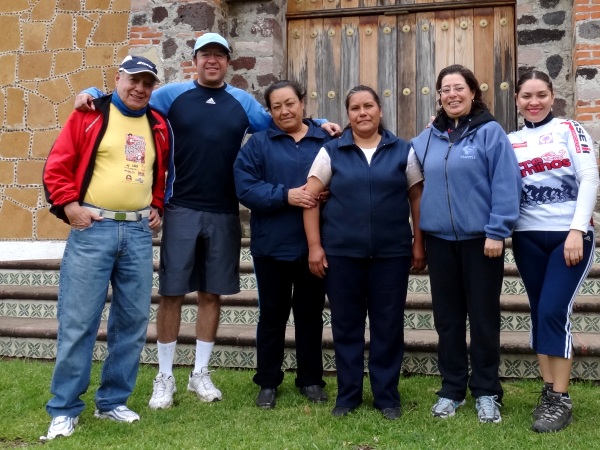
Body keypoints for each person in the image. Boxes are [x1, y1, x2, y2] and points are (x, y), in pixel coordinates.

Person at [74, 33, 340, 410]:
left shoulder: (242, 101)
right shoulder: (171, 96)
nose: (212, 61)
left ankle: (200, 372)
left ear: (228, 62)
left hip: (224, 211)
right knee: (171, 293)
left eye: (219, 55)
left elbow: (280, 119)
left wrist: (322, 122)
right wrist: (91, 92)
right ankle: (164, 377)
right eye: (205, 55)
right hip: (180, 206)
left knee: (211, 293)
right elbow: (130, 98)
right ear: (194, 59)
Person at [41, 56, 171, 440]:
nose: (140, 89)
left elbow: (160, 173)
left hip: (136, 234)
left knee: (131, 323)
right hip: (92, 228)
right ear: (117, 79)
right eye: (133, 80)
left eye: (147, 83)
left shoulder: (159, 125)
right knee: (79, 321)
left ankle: (112, 402)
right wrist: (69, 206)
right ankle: (64, 408)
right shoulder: (89, 113)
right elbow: (57, 165)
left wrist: (158, 205)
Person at [303, 85, 425, 420]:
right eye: (355, 108)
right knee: (346, 326)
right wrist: (315, 246)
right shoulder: (332, 151)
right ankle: (348, 396)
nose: (362, 113)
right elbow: (309, 198)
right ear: (348, 114)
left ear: (380, 110)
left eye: (368, 106)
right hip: (342, 255)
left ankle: (387, 397)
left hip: (392, 254)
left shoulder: (403, 150)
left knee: (388, 326)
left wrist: (418, 241)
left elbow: (416, 197)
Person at [411, 64, 521, 423]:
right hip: (440, 243)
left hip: (482, 242)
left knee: (484, 319)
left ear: (473, 92)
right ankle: (452, 389)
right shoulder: (428, 137)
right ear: (439, 97)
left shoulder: (490, 133)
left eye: (459, 88)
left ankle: (488, 391)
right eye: (445, 89)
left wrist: (497, 230)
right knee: (448, 320)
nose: (452, 94)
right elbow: (397, 160)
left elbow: (506, 183)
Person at [508, 70, 599, 433]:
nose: (534, 102)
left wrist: (577, 229)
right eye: (527, 96)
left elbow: (589, 177)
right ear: (516, 98)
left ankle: (561, 399)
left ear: (552, 96)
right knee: (538, 311)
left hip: (569, 236)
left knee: (552, 310)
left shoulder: (569, 129)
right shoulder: (509, 139)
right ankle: (548, 391)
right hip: (527, 236)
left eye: (541, 95)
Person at [233, 80, 332, 409]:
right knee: (271, 316)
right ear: (270, 111)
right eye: (276, 106)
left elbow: (348, 175)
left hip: (314, 247)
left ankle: (310, 379)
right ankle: (268, 381)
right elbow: (245, 187)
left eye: (290, 103)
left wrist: (333, 193)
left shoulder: (326, 139)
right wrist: (285, 195)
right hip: (271, 246)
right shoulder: (258, 144)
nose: (284, 111)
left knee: (310, 315)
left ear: (303, 102)